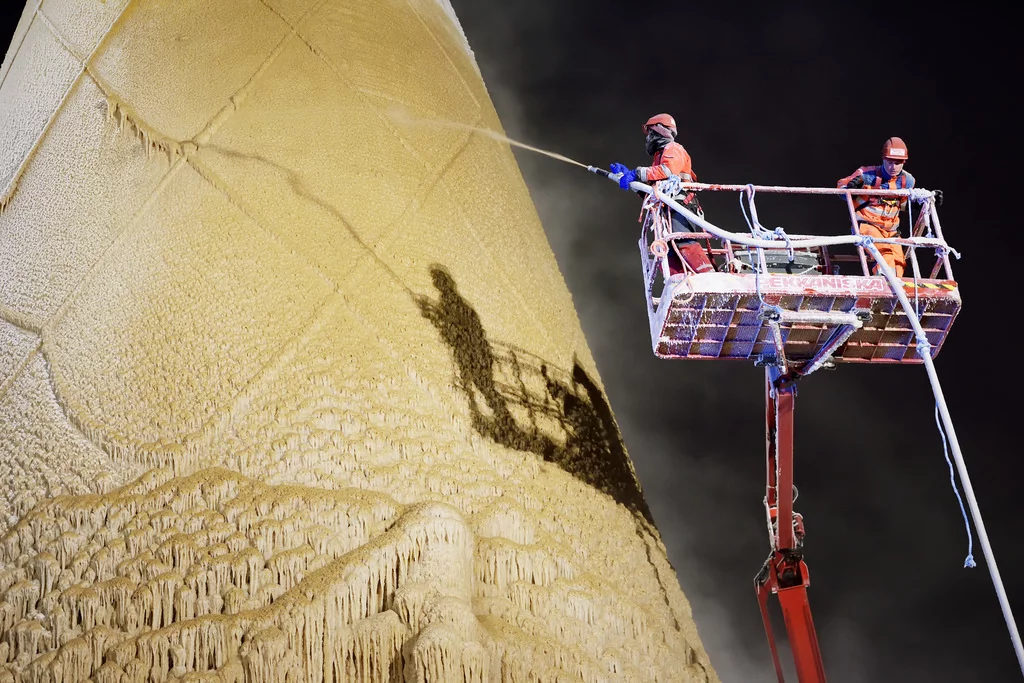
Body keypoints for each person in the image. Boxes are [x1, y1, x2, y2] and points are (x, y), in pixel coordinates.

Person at [610, 113, 714, 275]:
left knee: (683, 241)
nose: (648, 139)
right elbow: (653, 193)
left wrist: (636, 173)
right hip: (668, 211)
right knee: (669, 251)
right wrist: (633, 183)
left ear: (659, 131)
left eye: (650, 133)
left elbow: (667, 171)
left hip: (681, 208)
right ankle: (681, 282)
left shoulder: (673, 148)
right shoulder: (659, 158)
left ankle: (708, 277)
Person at [837, 137, 916, 277]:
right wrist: (851, 188)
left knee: (899, 262)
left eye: (897, 163)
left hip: (891, 231)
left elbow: (903, 204)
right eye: (890, 162)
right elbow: (841, 188)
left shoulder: (907, 181)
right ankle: (884, 284)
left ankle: (893, 287)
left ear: (904, 162)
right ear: (883, 159)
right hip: (868, 226)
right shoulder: (866, 175)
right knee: (885, 255)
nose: (893, 167)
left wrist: (920, 202)